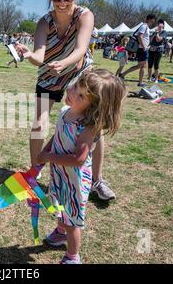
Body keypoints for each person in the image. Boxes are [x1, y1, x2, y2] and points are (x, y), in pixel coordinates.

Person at [14, 0, 116, 201]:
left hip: (79, 73)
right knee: (39, 121)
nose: (61, 2)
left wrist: (65, 62)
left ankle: (97, 181)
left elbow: (81, 49)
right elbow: (40, 56)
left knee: (93, 126)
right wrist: (29, 54)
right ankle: (34, 174)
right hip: (50, 73)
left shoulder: (84, 15)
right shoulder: (44, 21)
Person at [38, 69, 127, 264]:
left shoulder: (86, 127)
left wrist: (50, 156)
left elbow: (79, 159)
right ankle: (61, 231)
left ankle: (72, 257)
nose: (72, 93)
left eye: (81, 96)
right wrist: (45, 153)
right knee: (60, 206)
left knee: (73, 220)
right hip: (60, 173)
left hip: (75, 181)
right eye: (76, 87)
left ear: (93, 106)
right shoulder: (65, 112)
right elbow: (58, 135)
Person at [119, 14, 156, 87]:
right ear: (149, 19)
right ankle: (140, 82)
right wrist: (144, 47)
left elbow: (145, 38)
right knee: (143, 66)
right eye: (153, 19)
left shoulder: (146, 27)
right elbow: (140, 36)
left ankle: (122, 74)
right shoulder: (144, 26)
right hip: (142, 49)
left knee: (140, 66)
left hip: (143, 48)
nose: (153, 21)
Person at [148, 19, 167, 83]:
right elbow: (150, 40)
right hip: (151, 49)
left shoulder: (164, 32)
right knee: (150, 64)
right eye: (158, 23)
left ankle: (156, 79)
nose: (159, 25)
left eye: (161, 24)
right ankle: (149, 78)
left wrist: (157, 33)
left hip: (158, 50)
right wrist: (155, 33)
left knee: (156, 65)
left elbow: (158, 40)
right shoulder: (155, 32)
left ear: (163, 26)